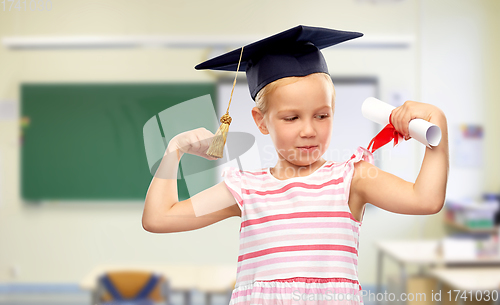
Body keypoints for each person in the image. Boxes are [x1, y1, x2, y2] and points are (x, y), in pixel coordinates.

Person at [142, 25, 449, 305]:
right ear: (261, 121)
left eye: (322, 115)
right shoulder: (247, 188)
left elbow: (426, 199)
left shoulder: (352, 178)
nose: (309, 130)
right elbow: (159, 218)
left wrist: (437, 124)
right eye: (291, 118)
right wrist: (175, 151)